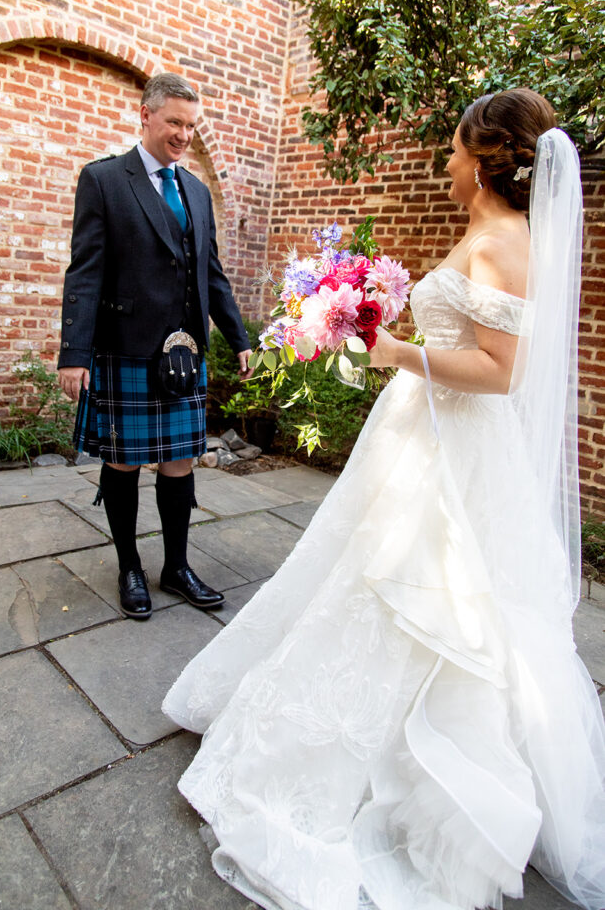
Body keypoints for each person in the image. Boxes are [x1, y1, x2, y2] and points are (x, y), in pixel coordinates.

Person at [163, 89, 605, 910]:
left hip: (452, 447)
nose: (442, 161)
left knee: (411, 594)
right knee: (367, 578)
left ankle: (383, 772)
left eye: (450, 149)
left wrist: (392, 348)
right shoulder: (492, 232)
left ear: (481, 160)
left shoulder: (504, 242)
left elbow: (501, 373)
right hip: (426, 431)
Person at [58, 72, 252, 621]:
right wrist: (74, 353)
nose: (184, 135)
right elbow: (85, 272)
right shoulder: (104, 180)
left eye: (192, 126)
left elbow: (210, 271)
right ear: (146, 116)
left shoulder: (195, 190)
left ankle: (176, 566)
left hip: (184, 351)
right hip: (125, 348)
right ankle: (129, 567)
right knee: (122, 463)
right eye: (174, 122)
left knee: (179, 463)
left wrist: (236, 336)